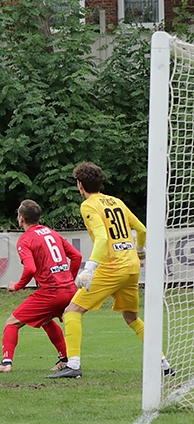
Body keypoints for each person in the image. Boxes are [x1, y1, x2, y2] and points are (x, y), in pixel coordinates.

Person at [48, 162, 174, 379]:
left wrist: (89, 268)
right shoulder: (116, 201)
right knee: (132, 318)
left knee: (72, 311)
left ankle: (74, 365)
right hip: (131, 266)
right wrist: (141, 251)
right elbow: (141, 229)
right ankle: (163, 363)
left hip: (111, 268)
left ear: (80, 185)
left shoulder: (88, 205)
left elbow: (103, 238)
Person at [0, 200, 82, 374]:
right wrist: (69, 280)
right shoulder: (52, 233)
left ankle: (6, 362)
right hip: (69, 290)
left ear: (21, 219)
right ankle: (64, 359)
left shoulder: (25, 239)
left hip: (51, 292)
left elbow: (30, 268)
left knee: (12, 323)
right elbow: (76, 256)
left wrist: (17, 286)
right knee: (46, 320)